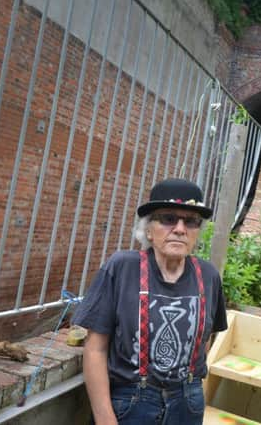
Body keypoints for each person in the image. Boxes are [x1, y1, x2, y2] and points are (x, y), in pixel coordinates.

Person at [72, 178, 228, 424]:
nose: (179, 228)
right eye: (168, 218)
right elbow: (95, 348)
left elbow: (204, 341)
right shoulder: (122, 268)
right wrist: (104, 418)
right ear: (148, 229)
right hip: (131, 402)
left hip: (188, 402)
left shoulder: (208, 276)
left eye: (190, 221)